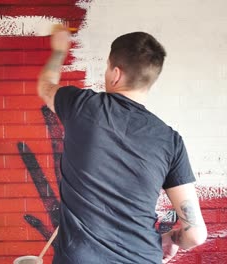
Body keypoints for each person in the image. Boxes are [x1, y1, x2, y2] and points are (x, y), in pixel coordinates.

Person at [37, 25, 207, 264]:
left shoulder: (82, 106)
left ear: (115, 73)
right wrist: (171, 238)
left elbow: (45, 86)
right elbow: (196, 235)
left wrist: (58, 51)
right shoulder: (171, 141)